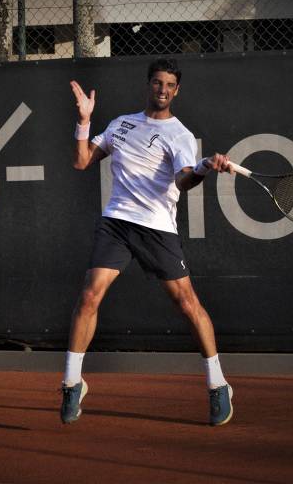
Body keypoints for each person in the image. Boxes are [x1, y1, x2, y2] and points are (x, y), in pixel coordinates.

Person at [62, 57, 233, 426]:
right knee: (90, 295)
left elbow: (184, 180)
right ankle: (72, 381)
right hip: (117, 223)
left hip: (157, 228)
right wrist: (83, 120)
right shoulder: (121, 124)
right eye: (158, 83)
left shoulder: (180, 135)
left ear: (176, 90)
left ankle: (218, 385)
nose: (163, 90)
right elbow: (81, 162)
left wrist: (204, 167)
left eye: (170, 85)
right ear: (149, 84)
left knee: (188, 304)